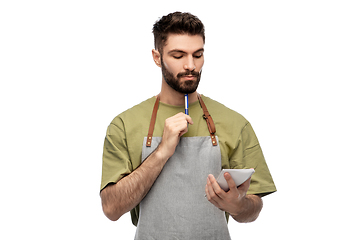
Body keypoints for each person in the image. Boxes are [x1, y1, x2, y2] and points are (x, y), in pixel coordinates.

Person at [100, 12, 276, 239]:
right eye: (178, 55)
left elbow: (253, 209)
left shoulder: (235, 123)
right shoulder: (125, 125)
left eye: (198, 54)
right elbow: (111, 209)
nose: (191, 65)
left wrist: (238, 205)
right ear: (157, 57)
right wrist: (162, 152)